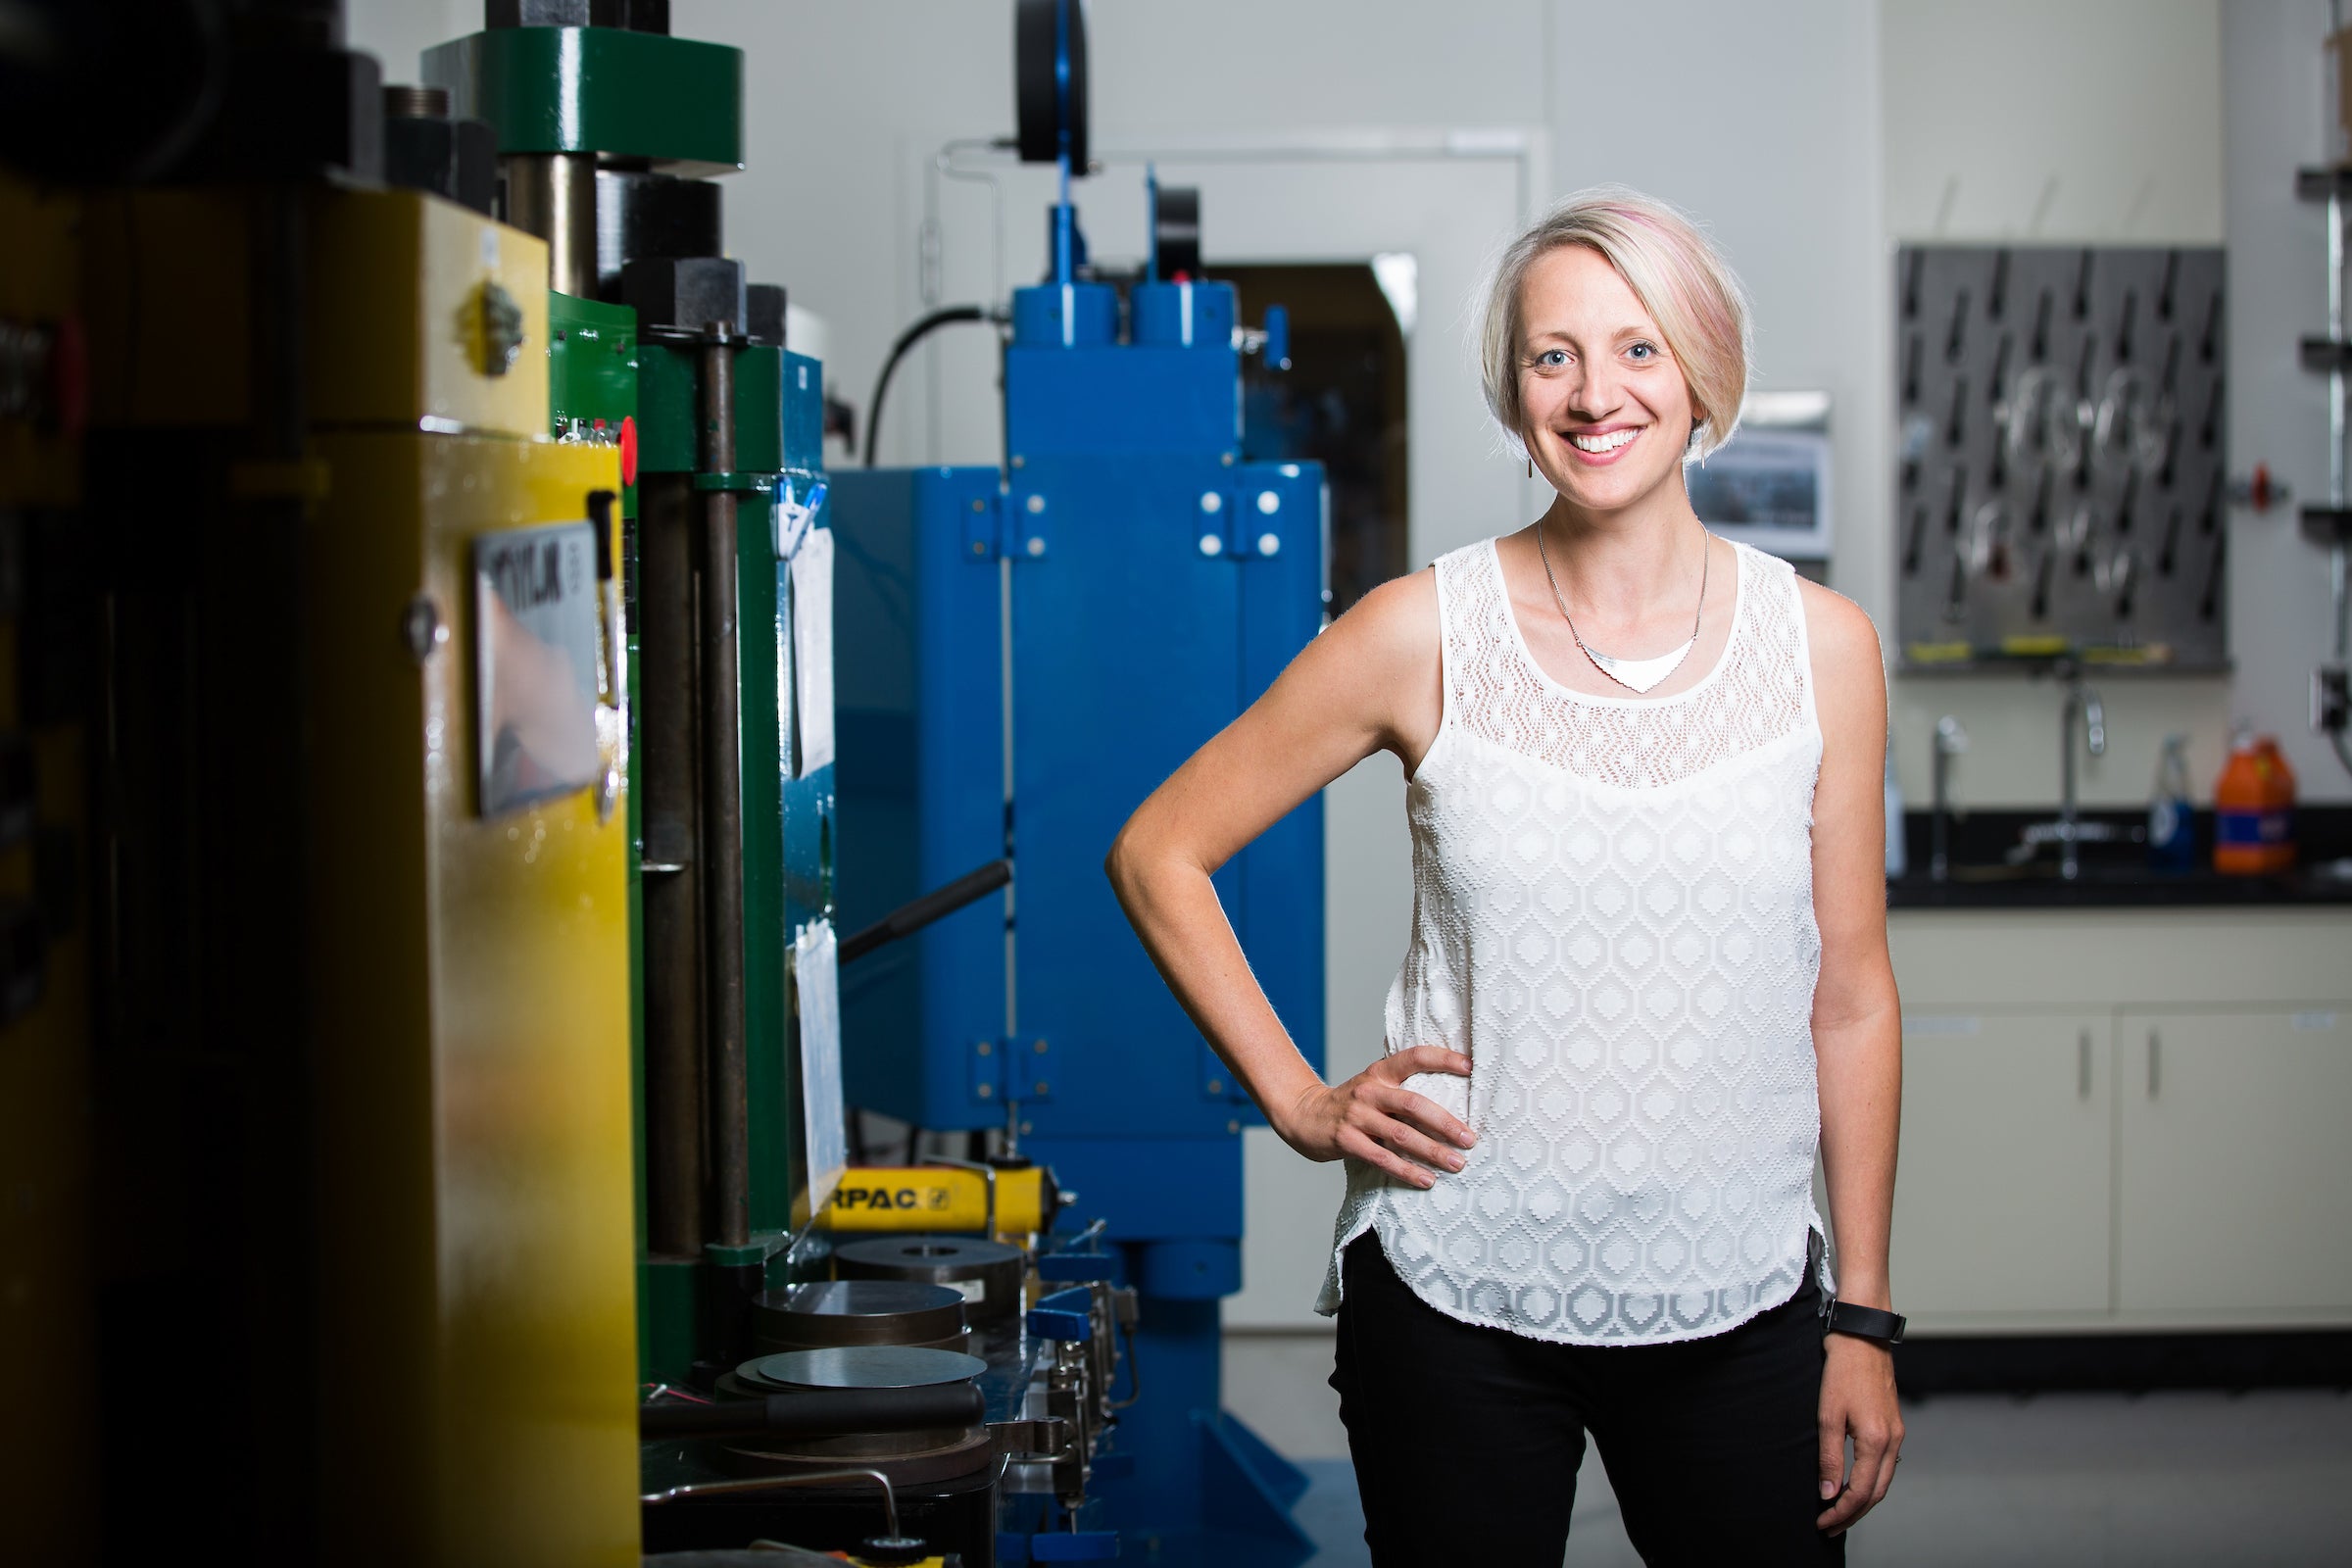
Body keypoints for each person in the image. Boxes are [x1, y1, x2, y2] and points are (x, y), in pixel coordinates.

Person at [1105, 186, 1904, 1564]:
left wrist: (1866, 1319)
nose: (1597, 393)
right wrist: (1298, 1100)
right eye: (1555, 356)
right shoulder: (1420, 631)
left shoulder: (1823, 645)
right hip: (1458, 1294)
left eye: (1639, 347)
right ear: (1516, 387)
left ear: (1705, 372)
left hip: (1744, 1299)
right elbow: (1159, 848)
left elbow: (1851, 999)